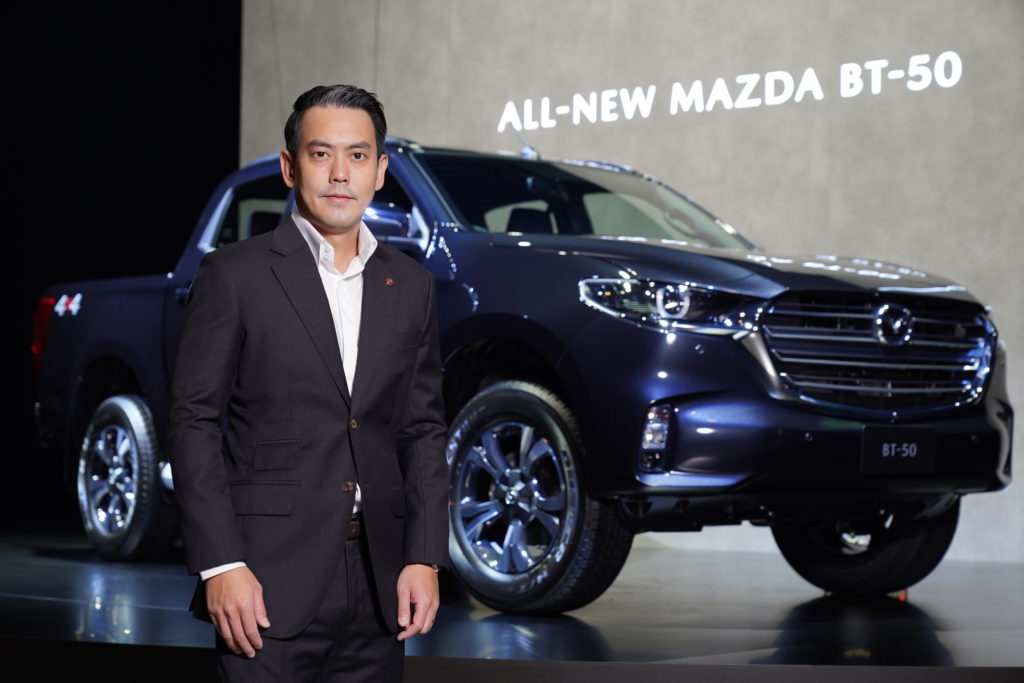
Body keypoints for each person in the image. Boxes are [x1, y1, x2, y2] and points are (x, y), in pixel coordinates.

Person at [168, 84, 449, 682]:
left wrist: (425, 556)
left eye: (357, 155)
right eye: (321, 154)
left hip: (380, 586)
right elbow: (194, 422)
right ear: (290, 167)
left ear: (380, 171)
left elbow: (422, 429)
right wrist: (220, 564)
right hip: (264, 584)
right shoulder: (234, 275)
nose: (340, 173)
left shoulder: (411, 286)